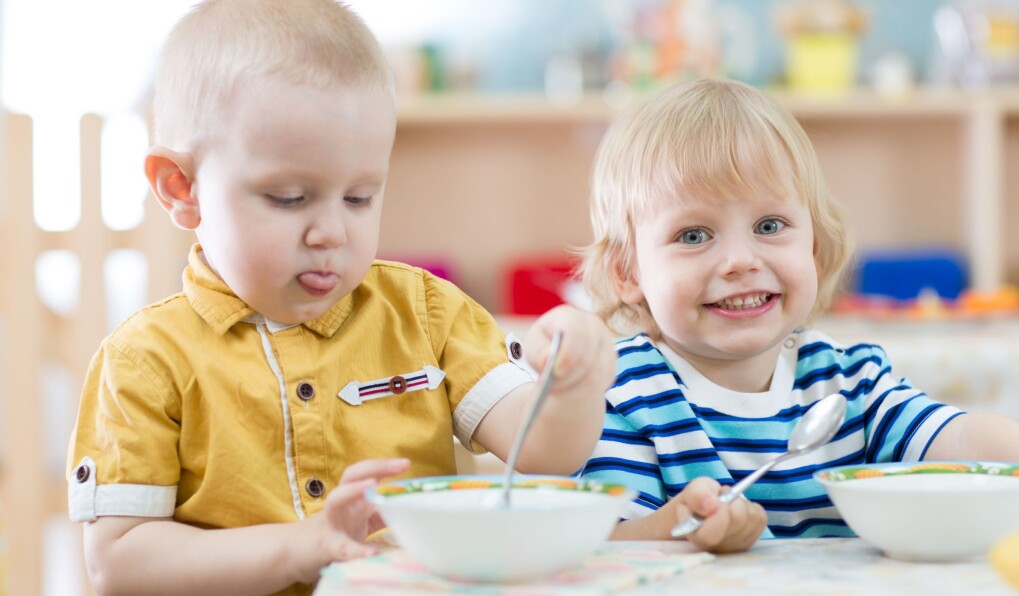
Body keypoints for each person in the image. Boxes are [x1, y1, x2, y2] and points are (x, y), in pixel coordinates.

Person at [66, 1, 615, 594]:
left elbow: (544, 453)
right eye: (289, 198)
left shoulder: (427, 312)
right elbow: (118, 563)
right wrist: (302, 546)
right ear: (182, 188)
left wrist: (574, 387)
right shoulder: (144, 361)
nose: (332, 232)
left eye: (359, 198)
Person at [575, 78, 1019, 552]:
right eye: (694, 235)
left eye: (769, 225)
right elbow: (604, 546)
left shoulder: (849, 385)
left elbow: (967, 439)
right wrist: (677, 530)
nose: (740, 260)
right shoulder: (622, 392)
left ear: (815, 247)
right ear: (627, 272)